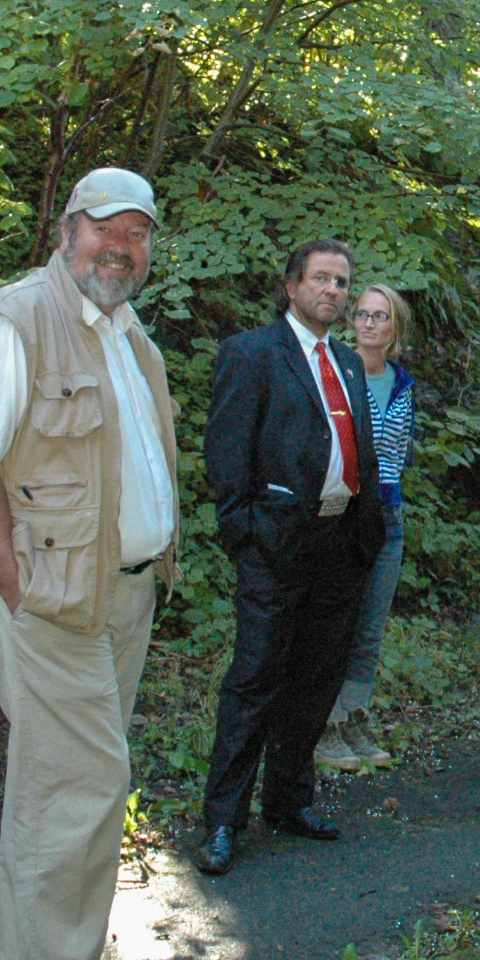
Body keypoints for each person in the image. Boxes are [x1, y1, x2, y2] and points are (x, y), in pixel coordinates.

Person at [0, 168, 176, 960]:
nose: (121, 247)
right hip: (52, 600)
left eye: (138, 233)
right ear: (67, 229)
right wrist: (18, 588)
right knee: (81, 783)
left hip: (122, 592)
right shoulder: (15, 321)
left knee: (56, 784)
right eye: (105, 229)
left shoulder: (126, 332)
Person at [196, 239, 385, 877]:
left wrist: (366, 535)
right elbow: (227, 452)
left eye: (342, 281)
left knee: (316, 679)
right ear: (291, 286)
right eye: (321, 278)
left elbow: (359, 449)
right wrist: (245, 532)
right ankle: (223, 820)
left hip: (340, 544)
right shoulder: (251, 353)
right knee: (254, 680)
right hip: (275, 543)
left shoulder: (348, 362)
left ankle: (288, 801)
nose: (333, 290)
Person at [313, 283, 416, 772]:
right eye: (363, 314)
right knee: (335, 624)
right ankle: (325, 724)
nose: (369, 324)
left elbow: (399, 451)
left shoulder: (402, 383)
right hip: (343, 514)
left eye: (380, 316)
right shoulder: (335, 370)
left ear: (396, 327)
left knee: (369, 629)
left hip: (388, 516)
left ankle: (355, 717)